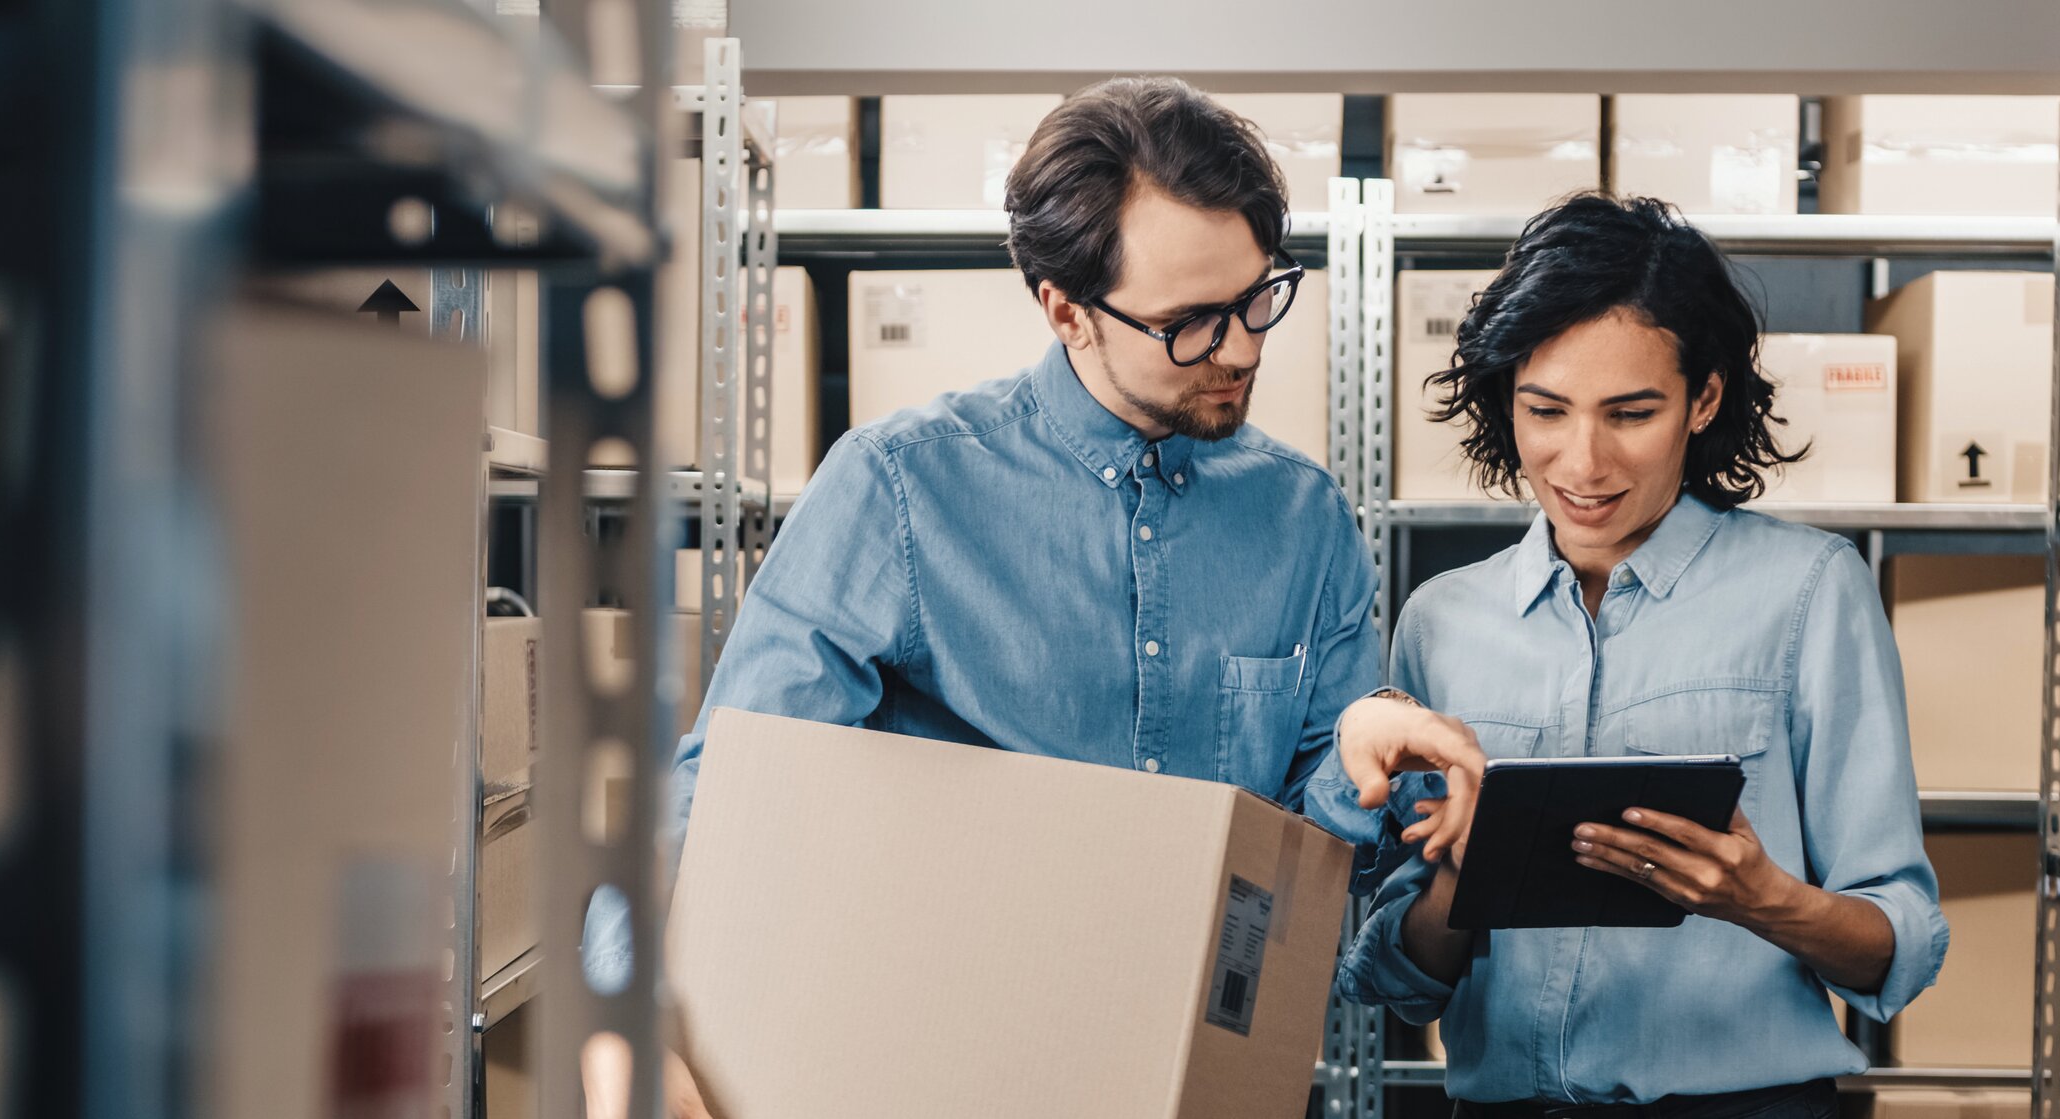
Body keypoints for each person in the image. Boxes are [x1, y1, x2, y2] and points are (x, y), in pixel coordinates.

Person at [580, 77, 1489, 1118]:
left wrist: (1359, 769)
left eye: (1256, 298)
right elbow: (723, 802)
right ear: (1065, 309)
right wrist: (623, 1022)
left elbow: (1308, 889)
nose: (1240, 348)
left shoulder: (1305, 523)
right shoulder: (900, 491)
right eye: (1190, 323)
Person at [1335, 195, 1948, 1119]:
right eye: (1546, 409)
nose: (1582, 461)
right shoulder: (1440, 620)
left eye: (1631, 412)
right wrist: (1462, 871)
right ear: (1508, 398)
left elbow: (1897, 942)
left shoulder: (1811, 591)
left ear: (1703, 399)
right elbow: (1402, 982)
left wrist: (1763, 899)